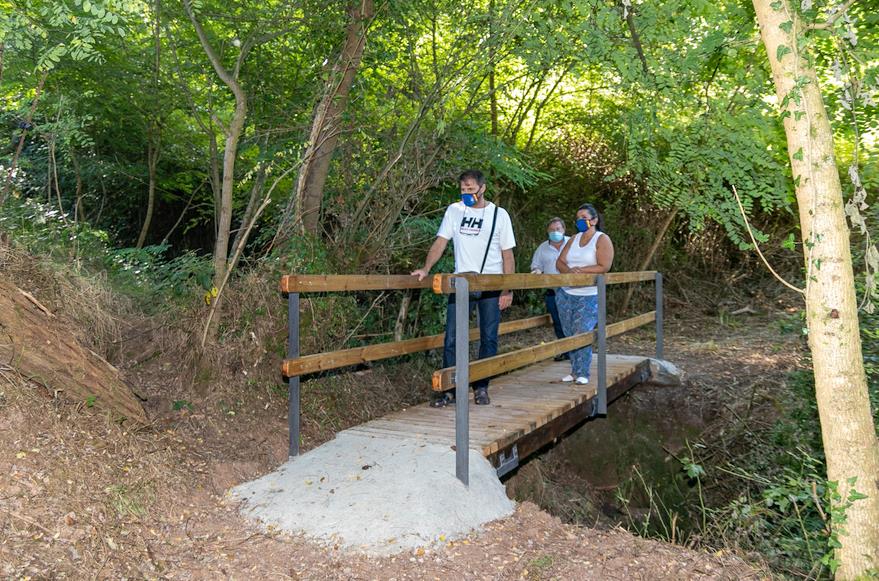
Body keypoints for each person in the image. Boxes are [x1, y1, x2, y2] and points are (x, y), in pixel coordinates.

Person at [411, 169, 516, 407]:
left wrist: (507, 289)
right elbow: (440, 242)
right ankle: (450, 390)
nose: (467, 193)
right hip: (460, 283)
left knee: (488, 338)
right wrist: (426, 269)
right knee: (452, 338)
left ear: (482, 188)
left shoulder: (499, 215)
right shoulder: (455, 211)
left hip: (490, 283)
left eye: (471, 189)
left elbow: (507, 256)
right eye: (463, 189)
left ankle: (481, 387)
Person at [555, 203, 614, 384]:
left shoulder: (602, 239)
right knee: (569, 332)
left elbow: (604, 266)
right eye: (578, 218)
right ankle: (574, 370)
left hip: (589, 294)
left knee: (582, 331)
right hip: (566, 292)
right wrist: (569, 273)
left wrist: (582, 271)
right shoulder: (573, 238)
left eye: (584, 218)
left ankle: (583, 373)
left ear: (594, 220)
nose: (580, 221)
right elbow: (560, 262)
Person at [530, 217, 570, 361]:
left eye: (558, 229)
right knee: (558, 322)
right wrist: (537, 272)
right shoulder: (542, 248)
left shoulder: (572, 243)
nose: (555, 232)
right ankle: (566, 351)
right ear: (548, 231)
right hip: (552, 292)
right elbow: (535, 266)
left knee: (573, 321)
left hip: (572, 291)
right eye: (552, 230)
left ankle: (577, 350)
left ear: (564, 229)